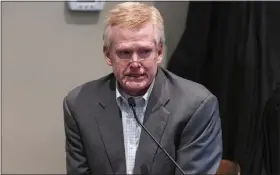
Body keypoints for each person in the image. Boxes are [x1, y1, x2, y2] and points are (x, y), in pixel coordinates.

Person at [63, 2, 222, 175]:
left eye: (145, 51)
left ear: (159, 52)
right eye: (125, 53)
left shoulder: (197, 106)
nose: (135, 64)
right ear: (108, 55)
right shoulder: (79, 105)